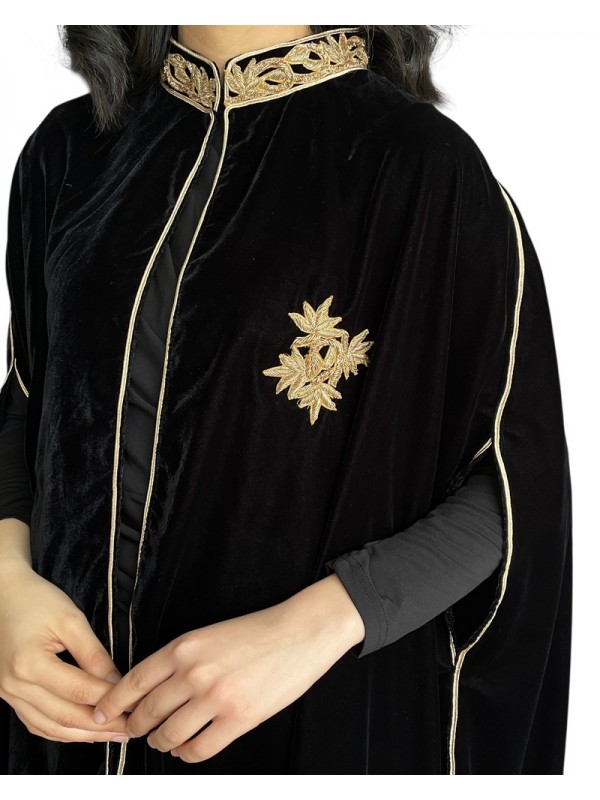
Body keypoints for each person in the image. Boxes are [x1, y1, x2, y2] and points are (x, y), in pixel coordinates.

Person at [0, 25, 572, 775]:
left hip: (310, 724)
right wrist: (5, 583)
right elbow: (32, 401)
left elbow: (515, 481)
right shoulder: (70, 148)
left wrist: (316, 625)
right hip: (60, 733)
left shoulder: (419, 167)